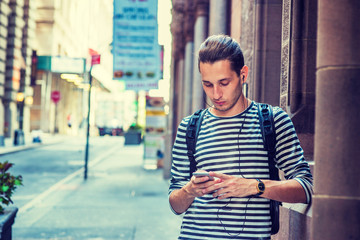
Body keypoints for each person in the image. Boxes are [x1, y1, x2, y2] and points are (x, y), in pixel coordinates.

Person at [168, 35, 313, 240]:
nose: (216, 94)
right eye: (208, 84)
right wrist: (190, 190)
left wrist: (254, 186)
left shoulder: (271, 120)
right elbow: (175, 205)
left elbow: (306, 188)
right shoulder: (190, 127)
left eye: (224, 82)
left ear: (243, 75)